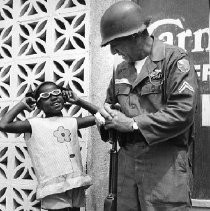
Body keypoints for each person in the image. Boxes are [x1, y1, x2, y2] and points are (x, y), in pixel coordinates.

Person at [98, 1, 198, 211]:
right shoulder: (121, 71)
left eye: (115, 43)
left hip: (164, 164)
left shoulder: (174, 59)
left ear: (135, 35)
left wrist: (132, 124)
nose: (114, 52)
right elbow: (110, 106)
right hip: (126, 166)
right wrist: (105, 118)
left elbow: (183, 112)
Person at [0, 81, 104, 211]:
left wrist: (78, 101)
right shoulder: (34, 124)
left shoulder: (71, 122)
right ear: (38, 104)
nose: (53, 97)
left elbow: (103, 115)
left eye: (56, 93)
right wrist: (22, 104)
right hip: (52, 186)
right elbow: (3, 125)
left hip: (75, 182)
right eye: (45, 96)